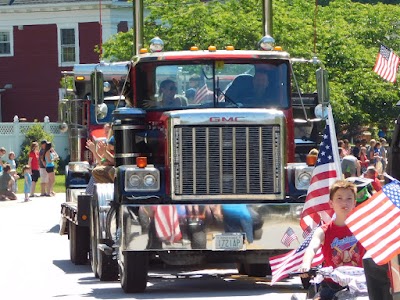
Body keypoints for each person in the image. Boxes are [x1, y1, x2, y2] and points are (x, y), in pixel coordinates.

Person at [299, 180, 366, 300]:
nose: (344, 202)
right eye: (339, 198)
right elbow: (312, 247)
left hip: (360, 284)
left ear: (355, 203)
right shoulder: (323, 230)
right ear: (331, 203)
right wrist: (306, 263)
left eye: (349, 198)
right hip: (331, 285)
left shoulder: (363, 228)